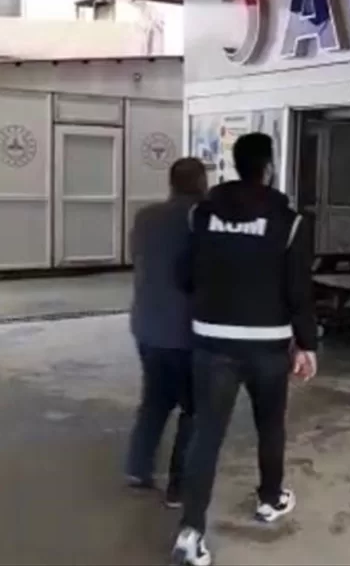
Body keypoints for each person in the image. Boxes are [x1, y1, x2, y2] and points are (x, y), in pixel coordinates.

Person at [171, 133, 317, 566]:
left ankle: (191, 532)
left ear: (235, 165)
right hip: (268, 345)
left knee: (206, 436)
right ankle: (270, 499)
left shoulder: (201, 215)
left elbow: (183, 276)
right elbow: (299, 290)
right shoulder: (289, 222)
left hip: (211, 341)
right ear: (268, 168)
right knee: (270, 426)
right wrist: (307, 344)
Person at [125, 157, 208, 507]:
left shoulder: (145, 217)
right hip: (184, 331)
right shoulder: (201, 219)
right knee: (194, 408)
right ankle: (180, 486)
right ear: (202, 183)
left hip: (146, 325)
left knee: (155, 400)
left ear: (171, 183)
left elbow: (139, 259)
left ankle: (137, 468)